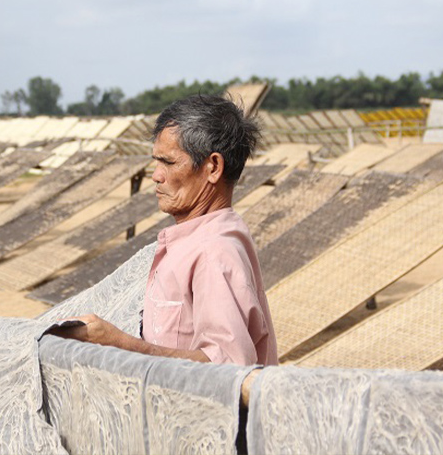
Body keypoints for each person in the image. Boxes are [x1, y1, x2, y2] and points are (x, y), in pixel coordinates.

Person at [52, 94, 277, 366]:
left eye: (168, 163)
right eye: (156, 162)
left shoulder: (212, 253)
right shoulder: (199, 240)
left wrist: (120, 344)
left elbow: (228, 370)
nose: (156, 175)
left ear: (213, 167)